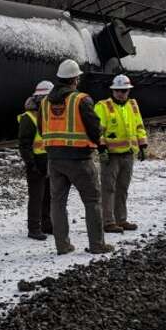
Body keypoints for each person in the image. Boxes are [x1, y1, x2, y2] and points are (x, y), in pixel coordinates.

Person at [41, 58, 112, 255]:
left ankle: (62, 246)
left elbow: (42, 127)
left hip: (54, 159)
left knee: (57, 202)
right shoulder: (81, 99)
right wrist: (100, 145)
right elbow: (94, 128)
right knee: (92, 200)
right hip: (80, 159)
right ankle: (97, 245)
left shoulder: (46, 101)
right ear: (74, 79)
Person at [94, 74, 147, 233]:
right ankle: (108, 222)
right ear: (113, 90)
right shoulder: (103, 106)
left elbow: (139, 126)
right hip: (110, 155)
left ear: (128, 91)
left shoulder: (133, 105)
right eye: (118, 90)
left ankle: (121, 219)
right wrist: (102, 149)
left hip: (128, 153)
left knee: (122, 188)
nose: (121, 93)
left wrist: (143, 145)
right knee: (108, 189)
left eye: (124, 90)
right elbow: (98, 131)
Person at [18, 80, 55, 241]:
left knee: (48, 196)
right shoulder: (29, 118)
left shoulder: (48, 116)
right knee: (36, 197)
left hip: (48, 164)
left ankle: (46, 224)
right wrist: (31, 165)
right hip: (36, 165)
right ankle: (34, 228)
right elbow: (24, 145)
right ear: (39, 99)